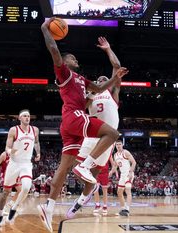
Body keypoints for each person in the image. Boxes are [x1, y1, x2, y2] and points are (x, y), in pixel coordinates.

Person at [38, 18, 128, 232]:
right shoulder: (64, 73)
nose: (76, 59)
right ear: (66, 61)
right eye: (73, 58)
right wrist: (44, 28)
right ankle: (84, 165)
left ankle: (48, 207)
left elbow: (98, 87)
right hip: (77, 117)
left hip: (73, 124)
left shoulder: (83, 80)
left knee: (64, 167)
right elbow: (54, 50)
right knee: (113, 134)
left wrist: (115, 77)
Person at [66, 36, 121, 218]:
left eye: (107, 78)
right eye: (100, 79)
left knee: (94, 174)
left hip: (108, 138)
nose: (103, 79)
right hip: (93, 132)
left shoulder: (113, 92)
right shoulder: (90, 96)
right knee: (75, 166)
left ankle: (79, 202)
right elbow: (78, 108)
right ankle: (84, 190)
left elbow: (116, 66)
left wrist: (108, 49)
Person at [0, 109, 41, 227]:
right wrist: (10, 151)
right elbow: (7, 146)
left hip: (26, 163)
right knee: (6, 192)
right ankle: (0, 214)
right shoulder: (14, 130)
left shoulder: (35, 130)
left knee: (26, 188)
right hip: (14, 163)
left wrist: (38, 153)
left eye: (29, 116)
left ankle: (14, 208)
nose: (27, 118)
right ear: (19, 118)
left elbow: (36, 142)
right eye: (25, 116)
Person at [109, 140, 137, 216]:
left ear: (122, 145)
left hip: (128, 174)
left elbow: (134, 162)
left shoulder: (126, 152)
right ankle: (123, 208)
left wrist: (131, 172)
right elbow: (115, 166)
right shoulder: (115, 155)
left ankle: (127, 209)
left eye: (120, 144)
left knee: (127, 190)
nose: (118, 146)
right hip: (122, 175)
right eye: (117, 144)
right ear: (115, 146)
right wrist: (111, 172)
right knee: (119, 192)